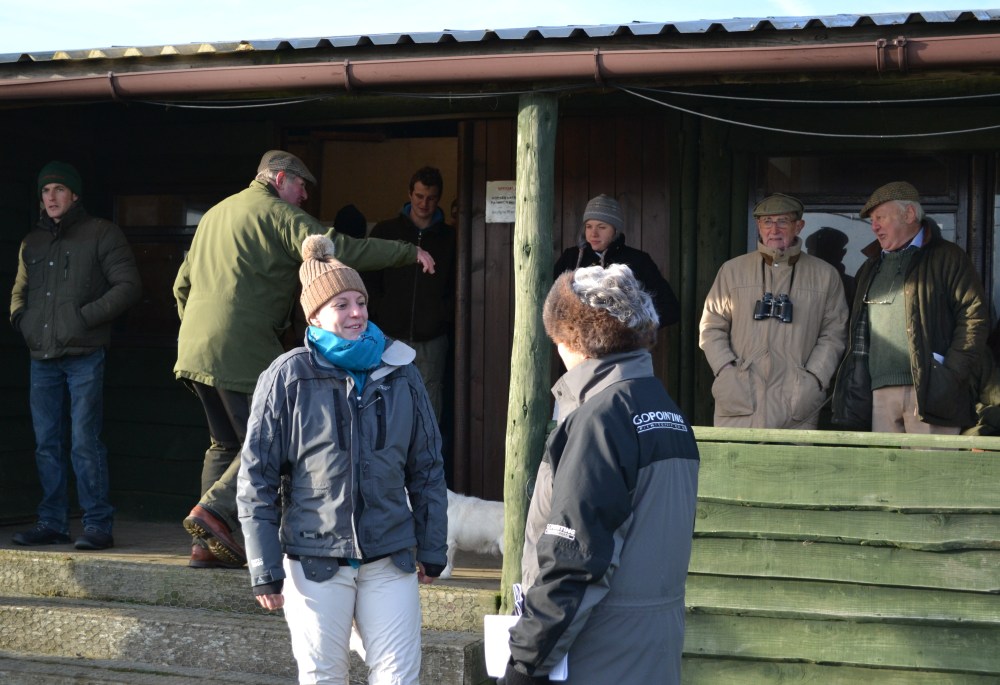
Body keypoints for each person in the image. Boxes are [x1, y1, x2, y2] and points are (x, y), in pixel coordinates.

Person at [174, 150, 436, 569]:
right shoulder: (276, 214)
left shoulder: (215, 214)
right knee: (269, 440)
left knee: (224, 444)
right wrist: (407, 253)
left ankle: (207, 546)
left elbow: (181, 285)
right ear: (280, 180)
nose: (305, 197)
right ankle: (216, 514)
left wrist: (199, 329)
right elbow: (338, 249)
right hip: (242, 344)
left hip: (195, 346)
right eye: (301, 187)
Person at [238, 234, 448, 685]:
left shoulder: (401, 371)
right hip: (315, 561)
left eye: (361, 302)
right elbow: (256, 476)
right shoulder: (287, 376)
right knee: (323, 677)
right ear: (314, 314)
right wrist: (264, 565)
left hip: (389, 558)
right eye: (341, 305)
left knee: (399, 677)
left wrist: (432, 546)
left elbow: (426, 466)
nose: (356, 313)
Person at [503, 264, 699, 685]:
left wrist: (525, 662)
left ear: (572, 336)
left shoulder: (601, 419)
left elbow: (574, 562)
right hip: (652, 652)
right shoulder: (666, 410)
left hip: (596, 656)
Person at [9, 161, 141, 550]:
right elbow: (19, 292)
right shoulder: (31, 241)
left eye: (59, 190)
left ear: (75, 195)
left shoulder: (102, 233)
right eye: (45, 190)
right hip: (42, 356)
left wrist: (83, 318)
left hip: (85, 354)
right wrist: (23, 321)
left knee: (84, 440)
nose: (51, 197)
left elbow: (128, 285)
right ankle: (52, 522)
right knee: (46, 442)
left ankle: (97, 525)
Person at [832, 181, 988, 433]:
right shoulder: (870, 267)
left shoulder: (947, 257)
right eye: (872, 220)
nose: (874, 226)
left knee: (930, 472)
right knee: (886, 472)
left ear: (910, 214)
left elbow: (974, 317)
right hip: (878, 393)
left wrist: (949, 374)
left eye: (880, 217)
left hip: (932, 391)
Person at [699, 193, 848, 429]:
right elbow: (711, 326)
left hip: (797, 398)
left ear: (799, 226)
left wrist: (815, 377)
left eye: (783, 221)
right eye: (767, 222)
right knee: (735, 463)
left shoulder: (825, 275)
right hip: (739, 395)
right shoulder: (732, 270)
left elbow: (834, 333)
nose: (774, 229)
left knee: (791, 465)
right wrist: (725, 369)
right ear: (758, 225)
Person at [365, 166, 455, 420]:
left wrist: (441, 315)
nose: (424, 203)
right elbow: (368, 278)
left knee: (429, 400)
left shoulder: (450, 238)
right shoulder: (385, 232)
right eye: (419, 196)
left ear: (439, 199)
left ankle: (426, 459)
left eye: (431, 198)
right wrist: (380, 311)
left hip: (432, 336)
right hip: (388, 334)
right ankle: (388, 458)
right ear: (409, 194)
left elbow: (455, 286)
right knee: (385, 397)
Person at [554, 194, 680, 327]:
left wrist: (634, 329)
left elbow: (670, 309)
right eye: (589, 226)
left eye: (602, 227)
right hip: (576, 345)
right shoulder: (570, 258)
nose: (593, 233)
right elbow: (549, 303)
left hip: (624, 346)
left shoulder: (638, 260)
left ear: (616, 230)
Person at [805, 226, 857, 309]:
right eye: (814, 252)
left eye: (827, 252)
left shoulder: (853, 286)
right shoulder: (854, 285)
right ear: (842, 253)